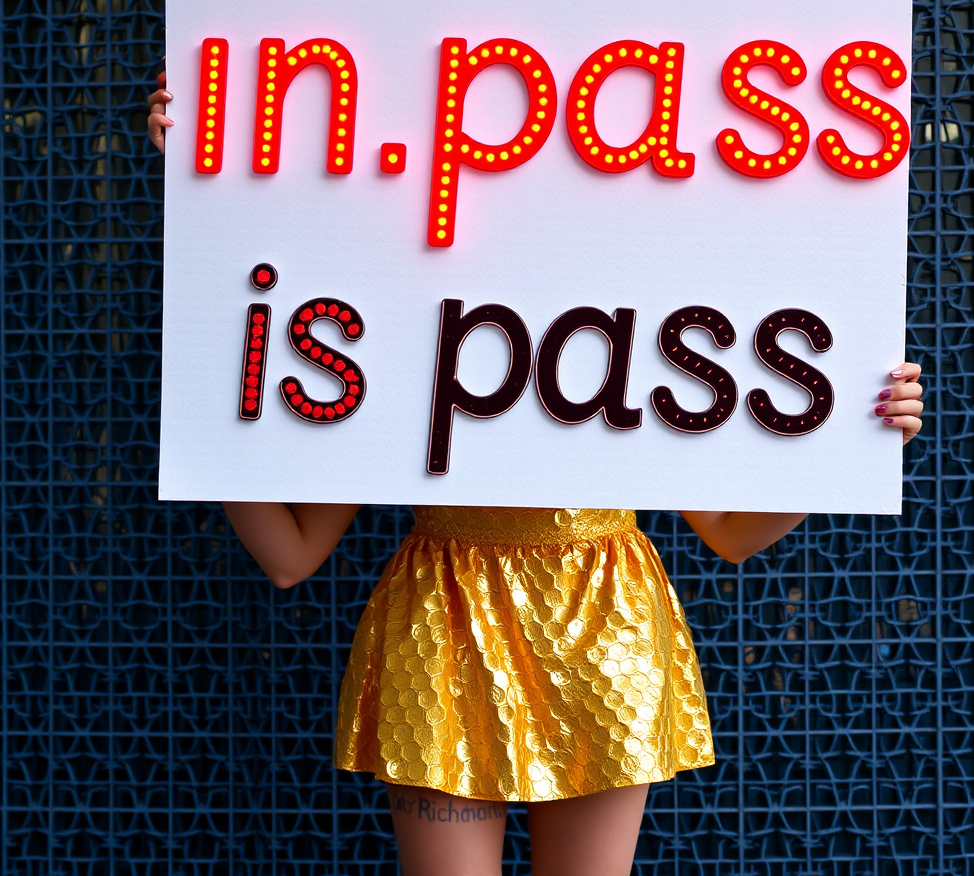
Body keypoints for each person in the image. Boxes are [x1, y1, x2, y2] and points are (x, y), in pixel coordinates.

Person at [148, 79, 925, 876]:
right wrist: (210, 403)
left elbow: (731, 534)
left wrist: (846, 441)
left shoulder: (635, 332)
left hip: (607, 624)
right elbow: (291, 554)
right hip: (443, 625)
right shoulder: (397, 333)